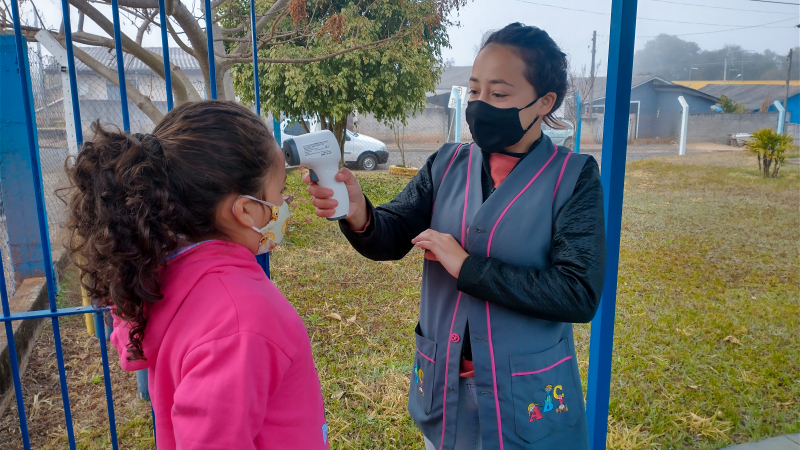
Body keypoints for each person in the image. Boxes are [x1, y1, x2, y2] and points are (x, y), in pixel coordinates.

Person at [306, 23, 606, 450]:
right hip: (447, 386)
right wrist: (359, 212)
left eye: (499, 95)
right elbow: (393, 233)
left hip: (525, 396)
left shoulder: (573, 179)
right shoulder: (447, 163)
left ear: (545, 102)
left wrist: (467, 267)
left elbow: (577, 292)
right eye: (475, 91)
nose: (482, 106)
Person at [64, 100, 328, 450]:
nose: (284, 205)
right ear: (246, 210)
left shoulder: (163, 276)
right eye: (279, 193)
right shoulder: (242, 319)